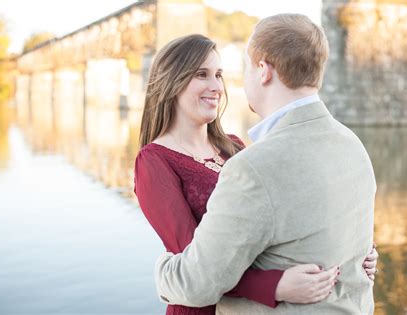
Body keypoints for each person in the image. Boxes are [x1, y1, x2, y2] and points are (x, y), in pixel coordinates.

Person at [135, 34, 377, 314]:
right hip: (203, 307)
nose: (216, 87)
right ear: (171, 82)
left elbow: (285, 213)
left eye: (219, 75)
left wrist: (353, 248)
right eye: (202, 75)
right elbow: (198, 264)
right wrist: (274, 286)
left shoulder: (234, 146)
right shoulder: (154, 161)